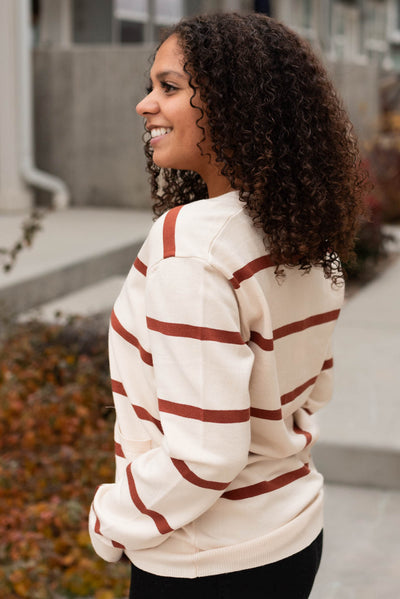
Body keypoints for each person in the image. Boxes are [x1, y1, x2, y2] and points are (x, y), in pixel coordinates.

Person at [89, 12, 367, 599]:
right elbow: (315, 391)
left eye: (169, 87)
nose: (145, 105)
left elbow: (204, 456)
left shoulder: (190, 244)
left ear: (236, 104)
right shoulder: (303, 234)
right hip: (292, 532)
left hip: (204, 561)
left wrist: (114, 520)